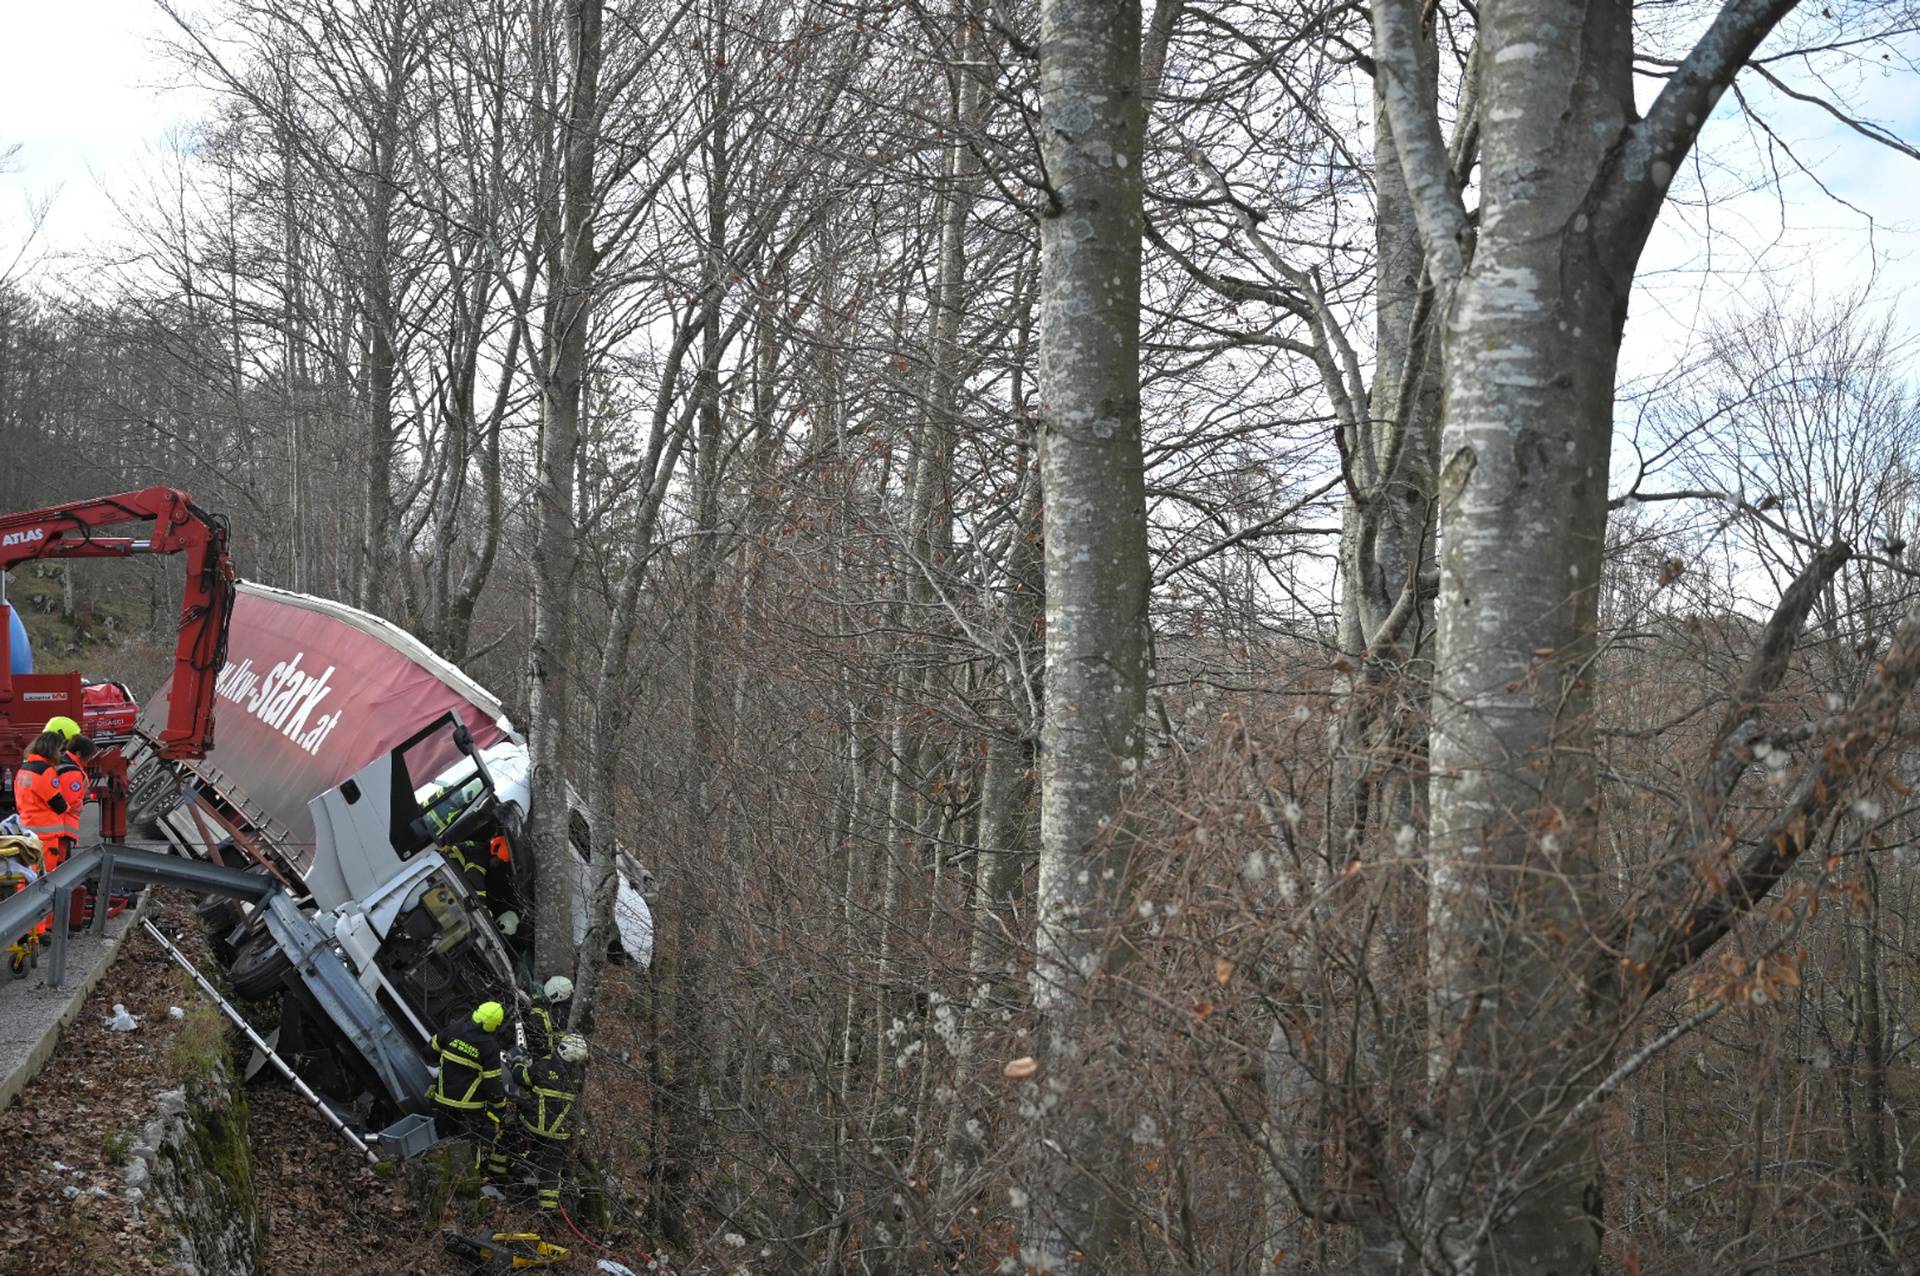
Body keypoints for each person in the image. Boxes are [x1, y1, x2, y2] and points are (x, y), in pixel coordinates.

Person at [428, 1000, 511, 1180]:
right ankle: (466, 1183)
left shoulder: (453, 1030)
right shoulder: (489, 1048)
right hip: (470, 1109)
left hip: (442, 1100)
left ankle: (439, 1179)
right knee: (469, 1148)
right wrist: (501, 1106)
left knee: (441, 1142)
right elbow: (493, 1084)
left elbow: (429, 1052)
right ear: (494, 1026)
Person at [516, 1032, 587, 1212]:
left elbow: (522, 1078)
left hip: (532, 1127)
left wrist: (516, 1062)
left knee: (510, 1141)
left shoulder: (546, 1065)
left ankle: (505, 1179)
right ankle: (547, 1211)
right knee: (551, 1169)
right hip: (559, 1134)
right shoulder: (580, 1076)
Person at [13, 726, 86, 871]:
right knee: (45, 875)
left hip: (27, 827)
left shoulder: (24, 768)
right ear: (52, 750)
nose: (61, 754)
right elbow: (57, 803)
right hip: (45, 834)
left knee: (27, 873)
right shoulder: (45, 771)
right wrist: (73, 807)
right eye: (59, 750)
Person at [527, 974, 573, 1058]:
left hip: (553, 1053)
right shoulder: (569, 1002)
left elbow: (540, 1023)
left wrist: (536, 1006)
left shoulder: (563, 1012)